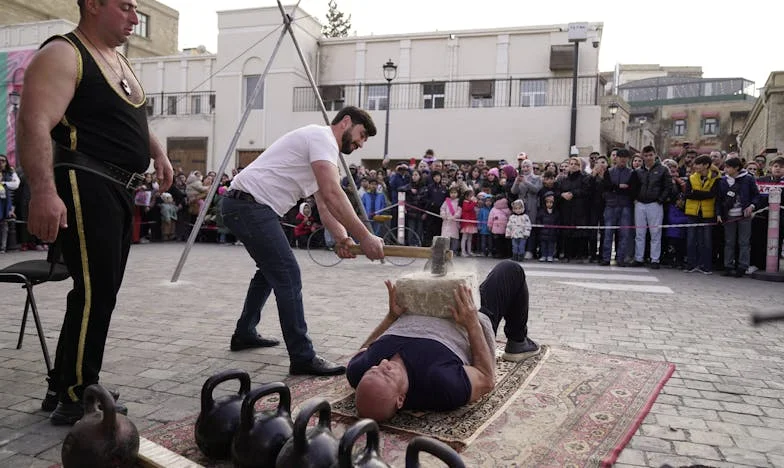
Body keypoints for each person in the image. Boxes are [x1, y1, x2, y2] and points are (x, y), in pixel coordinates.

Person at [16, 0, 173, 425]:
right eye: (125, 7)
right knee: (95, 290)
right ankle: (77, 394)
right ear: (92, 5)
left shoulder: (117, 60)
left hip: (118, 187)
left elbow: (130, 119)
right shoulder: (64, 53)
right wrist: (43, 192)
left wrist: (157, 151)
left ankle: (64, 382)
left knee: (96, 290)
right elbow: (33, 123)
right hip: (85, 180)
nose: (135, 18)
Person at [219, 106, 384, 376]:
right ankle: (302, 357)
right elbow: (332, 193)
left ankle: (245, 332)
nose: (361, 143)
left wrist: (342, 236)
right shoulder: (322, 139)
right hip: (250, 205)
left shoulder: (322, 149)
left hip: (249, 206)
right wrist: (364, 236)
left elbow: (324, 202)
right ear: (345, 122)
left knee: (269, 272)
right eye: (361, 134)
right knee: (288, 273)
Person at [346, 261, 540, 421]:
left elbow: (363, 349)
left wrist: (390, 318)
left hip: (419, 309)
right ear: (400, 400)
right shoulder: (441, 384)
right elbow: (487, 379)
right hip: (462, 318)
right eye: (387, 374)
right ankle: (517, 341)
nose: (383, 363)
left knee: (434, 268)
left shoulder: (358, 373)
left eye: (374, 369)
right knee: (510, 269)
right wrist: (472, 323)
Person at [629, 146, 673, 269]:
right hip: (640, 204)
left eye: (650, 155)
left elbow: (668, 187)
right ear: (643, 156)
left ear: (655, 155)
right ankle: (639, 258)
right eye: (646, 155)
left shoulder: (663, 170)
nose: (648, 158)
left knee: (655, 233)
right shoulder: (638, 171)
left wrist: (660, 200)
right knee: (640, 233)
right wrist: (635, 199)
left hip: (655, 204)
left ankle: (655, 259)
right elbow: (633, 187)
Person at [718, 157, 760, 277]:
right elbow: (719, 199)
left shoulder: (748, 179)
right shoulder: (722, 180)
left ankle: (742, 266)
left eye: (728, 167)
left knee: (744, 242)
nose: (725, 169)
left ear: (736, 168)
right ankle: (728, 265)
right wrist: (719, 214)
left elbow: (756, 196)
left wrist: (752, 206)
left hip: (744, 215)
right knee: (729, 241)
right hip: (729, 215)